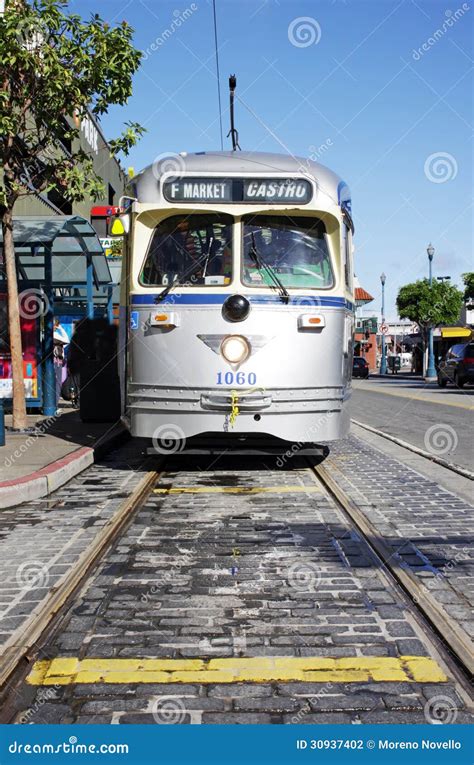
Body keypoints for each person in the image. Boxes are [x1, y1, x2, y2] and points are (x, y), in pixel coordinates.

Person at [53, 318, 69, 409]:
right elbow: (66, 340)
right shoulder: (55, 335)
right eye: (56, 325)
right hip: (57, 361)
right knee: (58, 382)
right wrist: (61, 329)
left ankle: (53, 402)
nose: (56, 327)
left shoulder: (52, 335)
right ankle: (55, 403)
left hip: (54, 361)